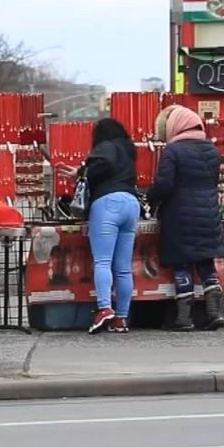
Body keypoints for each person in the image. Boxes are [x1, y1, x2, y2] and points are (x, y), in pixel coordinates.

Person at [149, 105, 224, 331]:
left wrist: (151, 199)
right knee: (206, 264)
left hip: (180, 216)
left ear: (175, 126)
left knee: (182, 265)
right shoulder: (212, 151)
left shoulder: (173, 151)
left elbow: (164, 185)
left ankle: (184, 318)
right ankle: (214, 313)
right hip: (209, 214)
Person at [80, 118, 140, 334]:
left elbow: (100, 167)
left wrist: (83, 172)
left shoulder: (104, 147)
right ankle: (121, 318)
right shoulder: (128, 150)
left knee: (103, 261)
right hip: (131, 203)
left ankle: (105, 308)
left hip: (107, 203)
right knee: (123, 268)